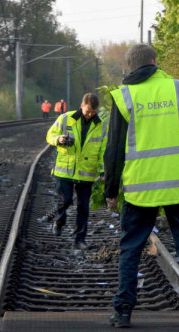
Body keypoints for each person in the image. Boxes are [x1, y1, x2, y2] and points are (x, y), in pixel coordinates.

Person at [104, 44, 179, 329]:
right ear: (154, 61)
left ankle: (123, 312)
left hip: (141, 187)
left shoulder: (124, 96)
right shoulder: (177, 89)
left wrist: (111, 190)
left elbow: (114, 148)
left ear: (129, 67)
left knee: (130, 249)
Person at [46, 93, 107, 250]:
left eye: (93, 112)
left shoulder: (101, 125)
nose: (89, 114)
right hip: (64, 170)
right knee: (64, 200)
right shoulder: (65, 118)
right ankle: (59, 220)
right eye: (87, 111)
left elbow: (103, 151)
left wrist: (103, 171)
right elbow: (50, 135)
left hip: (86, 172)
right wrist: (58, 139)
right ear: (82, 106)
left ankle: (79, 239)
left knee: (83, 208)